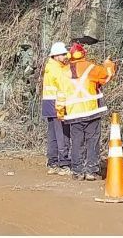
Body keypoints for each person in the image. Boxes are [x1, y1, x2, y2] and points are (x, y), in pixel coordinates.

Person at [60, 43, 116, 180]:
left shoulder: (64, 72)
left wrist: (60, 112)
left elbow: (60, 95)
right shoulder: (91, 68)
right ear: (84, 54)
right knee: (92, 141)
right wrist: (108, 64)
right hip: (91, 112)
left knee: (77, 142)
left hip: (73, 113)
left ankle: (78, 171)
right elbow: (107, 75)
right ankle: (91, 170)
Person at [42, 42, 72, 175]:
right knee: (62, 133)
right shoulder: (57, 69)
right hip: (57, 103)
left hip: (48, 103)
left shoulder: (50, 66)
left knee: (53, 133)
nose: (65, 56)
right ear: (56, 55)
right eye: (63, 54)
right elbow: (64, 85)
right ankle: (64, 162)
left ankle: (52, 162)